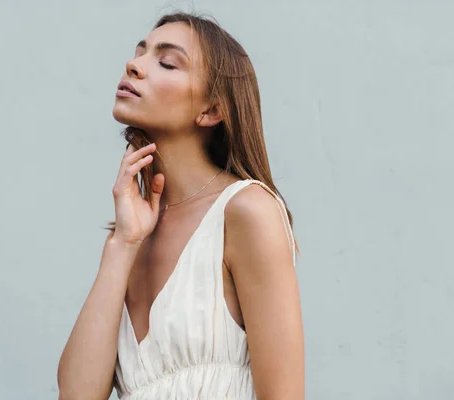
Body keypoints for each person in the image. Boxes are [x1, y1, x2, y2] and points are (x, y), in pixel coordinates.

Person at [57, 12, 304, 400]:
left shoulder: (246, 212)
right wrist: (122, 244)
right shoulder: (133, 235)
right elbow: (75, 395)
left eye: (166, 62)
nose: (134, 65)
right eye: (139, 53)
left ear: (211, 111)